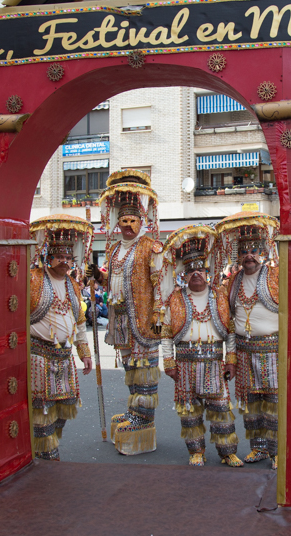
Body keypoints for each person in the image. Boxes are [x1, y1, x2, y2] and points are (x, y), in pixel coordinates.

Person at [99, 170, 168, 456]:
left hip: (143, 319)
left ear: (142, 222)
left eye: (133, 221)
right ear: (118, 222)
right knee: (130, 369)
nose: (128, 225)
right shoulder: (114, 249)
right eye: (124, 220)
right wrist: (99, 278)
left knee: (145, 371)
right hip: (120, 319)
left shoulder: (150, 247)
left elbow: (161, 285)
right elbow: (115, 281)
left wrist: (158, 318)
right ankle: (133, 412)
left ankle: (144, 419)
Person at [161, 225, 241, 467]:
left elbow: (230, 332)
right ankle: (196, 451)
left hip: (214, 363)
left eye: (200, 269)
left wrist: (231, 360)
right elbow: (164, 333)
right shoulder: (175, 299)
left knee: (221, 409)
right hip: (184, 363)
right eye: (190, 269)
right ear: (183, 274)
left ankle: (227, 452)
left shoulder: (219, 296)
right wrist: (168, 362)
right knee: (190, 411)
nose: (196, 273)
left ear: (207, 272)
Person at [25, 215, 93, 460]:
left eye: (68, 258)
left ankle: (49, 447)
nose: (64, 262)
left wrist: (84, 354)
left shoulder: (72, 285)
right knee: (43, 409)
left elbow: (79, 322)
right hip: (39, 356)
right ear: (48, 256)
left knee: (64, 408)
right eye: (59, 257)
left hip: (64, 356)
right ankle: (46, 455)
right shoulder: (33, 279)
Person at [215, 211, 280, 467]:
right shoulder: (231, 283)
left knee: (274, 403)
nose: (249, 255)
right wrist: (230, 360)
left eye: (254, 250)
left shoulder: (276, 277)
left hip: (273, 350)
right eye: (244, 251)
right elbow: (229, 325)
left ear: (262, 251)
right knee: (251, 404)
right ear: (238, 255)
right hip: (243, 352)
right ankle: (259, 448)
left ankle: (277, 452)